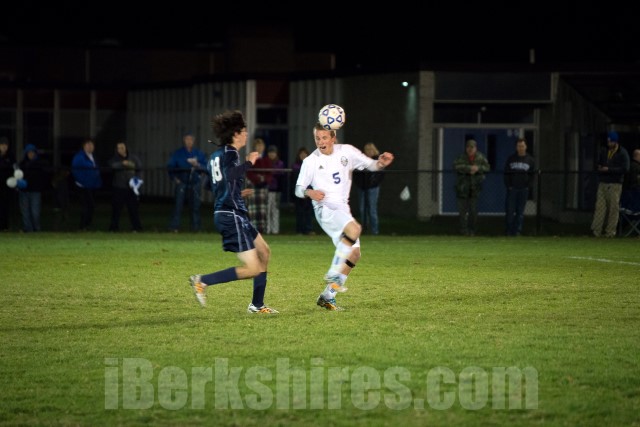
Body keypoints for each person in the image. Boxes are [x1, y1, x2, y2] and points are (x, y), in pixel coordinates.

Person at [295, 123, 394, 311]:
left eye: (324, 138)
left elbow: (371, 165)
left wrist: (381, 163)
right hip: (324, 208)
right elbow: (298, 189)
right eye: (317, 138)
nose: (320, 142)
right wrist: (309, 192)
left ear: (333, 138)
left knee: (355, 254)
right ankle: (334, 271)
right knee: (355, 229)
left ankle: (328, 295)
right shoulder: (310, 161)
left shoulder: (347, 151)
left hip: (342, 209)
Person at [189, 110, 278, 314]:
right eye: (244, 131)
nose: (246, 134)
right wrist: (249, 162)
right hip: (230, 215)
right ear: (236, 134)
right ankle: (202, 281)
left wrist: (235, 192)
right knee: (253, 268)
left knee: (264, 252)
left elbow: (210, 185)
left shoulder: (215, 155)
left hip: (233, 212)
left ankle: (257, 305)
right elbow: (230, 174)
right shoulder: (230, 153)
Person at [591, 131, 630, 237]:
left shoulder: (622, 153)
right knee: (600, 208)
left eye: (611, 142)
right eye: (608, 141)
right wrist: (599, 167)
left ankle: (610, 232)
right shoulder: (604, 150)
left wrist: (609, 169)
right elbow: (598, 162)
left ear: (615, 142)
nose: (609, 144)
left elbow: (625, 168)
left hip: (615, 184)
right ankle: (596, 231)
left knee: (613, 208)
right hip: (603, 182)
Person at [167, 132, 207, 232]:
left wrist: (197, 165)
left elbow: (206, 167)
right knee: (178, 205)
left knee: (195, 206)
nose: (189, 141)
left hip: (195, 182)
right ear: (184, 140)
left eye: (191, 139)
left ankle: (196, 228)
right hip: (182, 182)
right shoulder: (178, 153)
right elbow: (170, 166)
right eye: (187, 139)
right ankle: (174, 227)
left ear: (193, 141)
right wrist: (175, 179)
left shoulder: (198, 153)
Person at [454, 139, 490, 236]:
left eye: (472, 147)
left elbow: (487, 167)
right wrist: (469, 168)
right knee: (462, 212)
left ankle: (473, 230)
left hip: (475, 189)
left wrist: (478, 168)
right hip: (462, 188)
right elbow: (456, 166)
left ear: (475, 148)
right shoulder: (461, 157)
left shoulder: (481, 157)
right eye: (468, 147)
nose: (470, 149)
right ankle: (463, 230)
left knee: (473, 211)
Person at [503, 137, 536, 236]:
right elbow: (506, 173)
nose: (520, 148)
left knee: (520, 212)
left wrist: (528, 186)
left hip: (523, 189)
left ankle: (517, 231)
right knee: (510, 211)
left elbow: (532, 175)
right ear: (516, 147)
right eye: (519, 146)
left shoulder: (530, 160)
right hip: (512, 189)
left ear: (525, 147)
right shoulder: (511, 159)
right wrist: (509, 185)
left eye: (522, 146)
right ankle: (509, 231)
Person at [108, 141, 143, 232]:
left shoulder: (134, 158)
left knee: (133, 209)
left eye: (122, 147)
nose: (121, 149)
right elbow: (112, 166)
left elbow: (139, 169)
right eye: (119, 148)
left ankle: (136, 228)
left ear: (126, 148)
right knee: (116, 209)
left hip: (131, 187)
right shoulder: (115, 159)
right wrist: (122, 164)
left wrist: (137, 181)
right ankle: (113, 228)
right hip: (119, 187)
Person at [354, 142, 385, 235]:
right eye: (367, 150)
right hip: (362, 188)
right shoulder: (362, 161)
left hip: (373, 188)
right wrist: (360, 184)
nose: (368, 152)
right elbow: (356, 174)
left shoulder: (377, 161)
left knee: (372, 209)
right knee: (362, 209)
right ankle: (365, 229)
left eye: (370, 150)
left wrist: (372, 183)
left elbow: (380, 175)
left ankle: (374, 231)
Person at [71, 138, 102, 231]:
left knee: (91, 206)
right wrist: (82, 181)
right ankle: (83, 226)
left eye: (91, 145)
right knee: (87, 206)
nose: (90, 147)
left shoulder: (93, 157)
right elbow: (75, 170)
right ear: (84, 146)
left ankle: (87, 225)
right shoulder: (79, 157)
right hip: (83, 186)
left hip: (93, 186)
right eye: (88, 145)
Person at [18, 144, 49, 232]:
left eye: (32, 152)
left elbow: (43, 177)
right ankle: (28, 229)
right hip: (24, 191)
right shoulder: (22, 164)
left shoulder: (40, 164)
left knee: (35, 212)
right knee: (25, 212)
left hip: (35, 191)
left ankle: (36, 229)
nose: (30, 154)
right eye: (29, 152)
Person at [245, 138, 270, 234]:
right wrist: (257, 179)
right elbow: (249, 172)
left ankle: (262, 229)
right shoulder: (250, 157)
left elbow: (269, 172)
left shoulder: (266, 159)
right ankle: (252, 228)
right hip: (253, 186)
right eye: (258, 146)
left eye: (261, 146)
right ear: (254, 147)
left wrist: (264, 179)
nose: (260, 147)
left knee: (262, 210)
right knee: (253, 209)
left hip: (263, 187)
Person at [291, 147, 314, 235]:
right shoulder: (295, 166)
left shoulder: (311, 166)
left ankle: (309, 229)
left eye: (305, 154)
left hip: (309, 192)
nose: (303, 155)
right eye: (301, 154)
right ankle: (299, 230)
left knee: (308, 212)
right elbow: (294, 181)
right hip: (299, 192)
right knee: (299, 212)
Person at [265, 145, 284, 234]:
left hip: (276, 190)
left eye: (273, 152)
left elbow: (279, 175)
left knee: (275, 210)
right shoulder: (265, 162)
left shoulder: (280, 163)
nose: (272, 154)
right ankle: (268, 229)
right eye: (270, 152)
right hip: (267, 189)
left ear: (276, 154)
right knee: (267, 210)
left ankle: (275, 230)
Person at [0, 137, 16, 231]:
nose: (4, 146)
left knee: (5, 206)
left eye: (6, 145)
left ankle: (5, 226)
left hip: (7, 186)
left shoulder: (11, 156)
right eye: (2, 144)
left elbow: (14, 168)